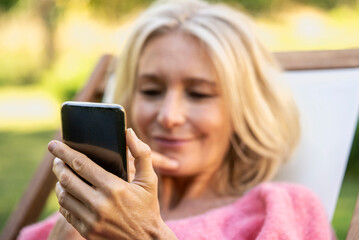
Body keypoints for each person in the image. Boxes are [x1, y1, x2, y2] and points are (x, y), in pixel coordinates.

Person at [18, 0, 334, 239]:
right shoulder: (69, 223)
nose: (169, 116)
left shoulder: (278, 210)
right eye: (152, 90)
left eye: (199, 94)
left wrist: (148, 233)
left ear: (245, 111)